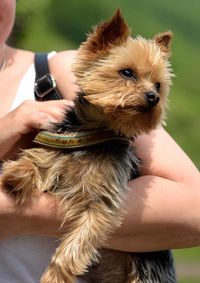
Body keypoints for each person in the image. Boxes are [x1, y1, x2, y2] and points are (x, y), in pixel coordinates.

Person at [0, 0, 199, 282]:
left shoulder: (53, 76)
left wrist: (19, 214)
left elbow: (195, 207)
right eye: (128, 74)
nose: (150, 94)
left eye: (157, 87)